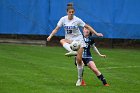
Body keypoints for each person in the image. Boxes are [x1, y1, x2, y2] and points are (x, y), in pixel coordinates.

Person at [47, 3, 103, 86]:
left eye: (73, 12)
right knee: (62, 40)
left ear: (74, 12)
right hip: (70, 40)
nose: (71, 13)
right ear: (67, 12)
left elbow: (87, 26)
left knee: (79, 61)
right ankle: (72, 51)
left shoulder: (77, 20)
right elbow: (56, 29)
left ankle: (79, 79)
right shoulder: (63, 19)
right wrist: (50, 36)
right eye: (70, 12)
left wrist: (96, 33)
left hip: (79, 40)